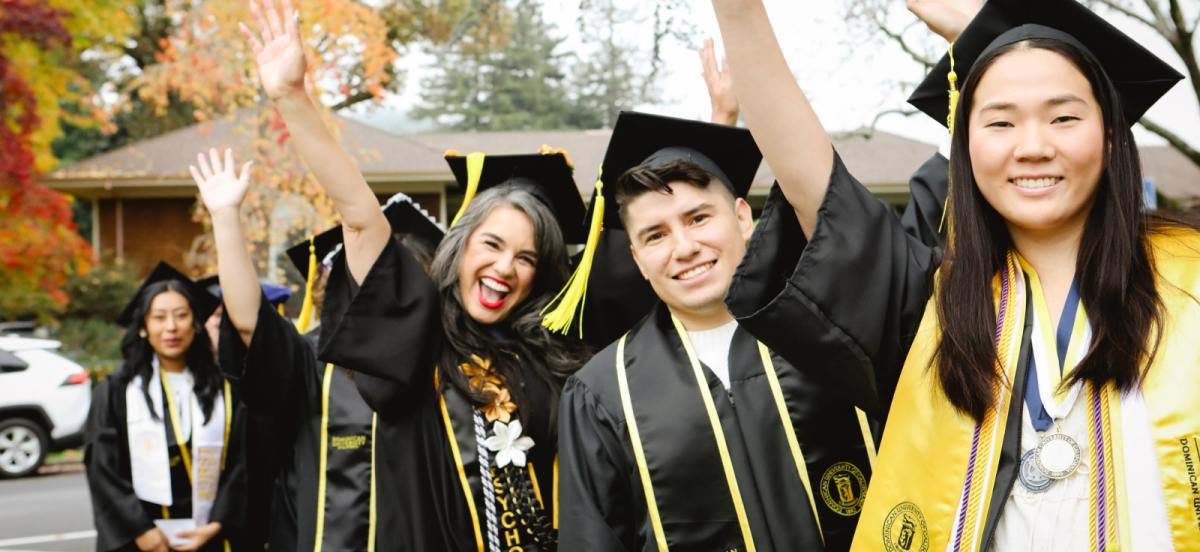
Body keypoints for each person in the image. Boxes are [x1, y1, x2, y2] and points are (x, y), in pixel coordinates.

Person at [713, 0, 1200, 550]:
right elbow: (812, 181)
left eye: (1064, 117)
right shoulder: (932, 306)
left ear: (1111, 134)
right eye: (1000, 122)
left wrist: (1004, 41)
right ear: (963, 147)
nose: (1033, 146)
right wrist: (737, 12)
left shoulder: (1192, 283)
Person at [238, 2, 591, 550]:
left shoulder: (555, 357)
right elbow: (359, 220)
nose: (504, 267)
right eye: (492, 244)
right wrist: (293, 99)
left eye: (526, 258)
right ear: (460, 246)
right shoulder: (424, 337)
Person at [190, 148, 443, 552]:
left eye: (409, 287)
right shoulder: (311, 360)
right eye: (377, 283)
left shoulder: (448, 365)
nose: (391, 301)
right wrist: (225, 219)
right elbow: (248, 322)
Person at [85, 262, 248, 552]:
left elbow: (242, 460)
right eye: (159, 317)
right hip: (140, 539)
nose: (171, 327)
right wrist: (141, 532)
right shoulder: (116, 389)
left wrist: (216, 524)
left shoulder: (223, 387)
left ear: (196, 323)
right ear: (144, 328)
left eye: (181, 316)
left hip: (207, 536)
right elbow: (103, 468)